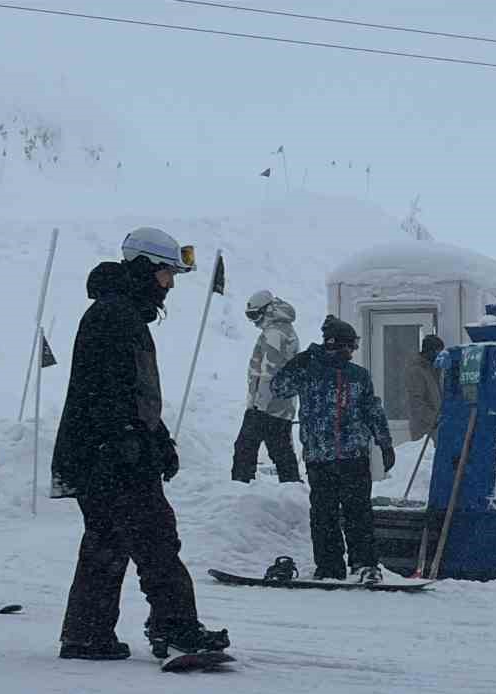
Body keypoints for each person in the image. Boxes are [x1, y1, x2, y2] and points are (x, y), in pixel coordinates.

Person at [51, 227, 229, 661]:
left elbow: (133, 392)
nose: (170, 285)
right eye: (167, 274)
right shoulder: (113, 316)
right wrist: (125, 440)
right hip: (110, 456)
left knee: (107, 541)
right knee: (155, 538)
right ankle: (176, 627)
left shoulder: (120, 313)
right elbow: (105, 391)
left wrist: (158, 438)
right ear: (145, 268)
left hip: (102, 452)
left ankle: (87, 635)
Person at [271, 315, 395, 584]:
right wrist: (296, 364)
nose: (352, 352)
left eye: (354, 346)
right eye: (350, 346)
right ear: (334, 345)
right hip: (319, 457)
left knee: (359, 513)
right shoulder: (307, 370)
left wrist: (384, 442)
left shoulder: (358, 376)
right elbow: (278, 388)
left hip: (354, 457)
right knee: (323, 514)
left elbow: (372, 410)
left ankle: (365, 565)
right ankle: (329, 567)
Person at [231, 289, 301, 483]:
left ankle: (240, 487)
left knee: (245, 449)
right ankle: (292, 488)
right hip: (280, 405)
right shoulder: (282, 330)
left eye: (255, 315)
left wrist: (259, 405)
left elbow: (270, 371)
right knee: (281, 451)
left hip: (267, 405)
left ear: (268, 310)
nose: (253, 321)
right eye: (250, 316)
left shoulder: (275, 334)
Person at [404, 334, 444, 444]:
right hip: (425, 429)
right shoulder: (416, 371)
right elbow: (416, 402)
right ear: (428, 351)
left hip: (436, 427)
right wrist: (435, 419)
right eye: (437, 352)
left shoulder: (433, 369)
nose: (439, 355)